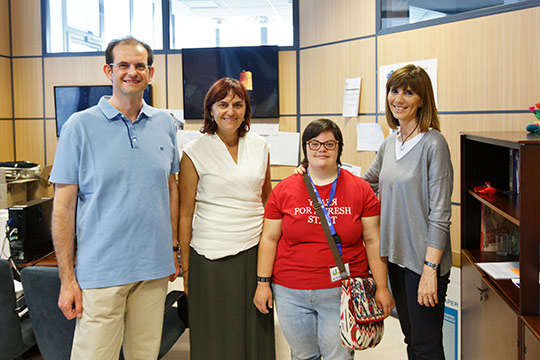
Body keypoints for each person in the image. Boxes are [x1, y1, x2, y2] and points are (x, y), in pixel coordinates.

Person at [50, 36, 180, 360]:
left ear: (151, 73)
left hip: (153, 269)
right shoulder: (78, 127)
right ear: (109, 70)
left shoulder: (165, 124)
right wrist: (67, 279)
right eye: (123, 65)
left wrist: (173, 248)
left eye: (139, 66)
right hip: (101, 272)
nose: (131, 72)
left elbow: (171, 188)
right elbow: (63, 207)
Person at [253, 119, 394, 360]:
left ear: (339, 148)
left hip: (341, 290)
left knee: (337, 357)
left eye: (330, 143)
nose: (322, 149)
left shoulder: (361, 190)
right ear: (305, 149)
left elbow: (373, 240)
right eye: (315, 143)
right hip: (290, 290)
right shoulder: (284, 189)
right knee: (302, 355)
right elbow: (269, 238)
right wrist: (262, 283)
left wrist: (382, 287)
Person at [178, 77, 275, 360]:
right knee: (215, 333)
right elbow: (185, 214)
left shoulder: (260, 146)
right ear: (210, 109)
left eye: (237, 104)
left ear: (246, 109)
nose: (230, 111)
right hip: (209, 256)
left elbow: (268, 200)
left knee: (255, 329)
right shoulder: (193, 152)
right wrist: (185, 268)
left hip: (255, 251)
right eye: (222, 104)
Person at [362, 64, 453, 359]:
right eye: (394, 90)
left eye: (409, 92)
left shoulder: (433, 144)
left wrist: (430, 271)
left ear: (422, 100)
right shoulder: (390, 143)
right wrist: (315, 171)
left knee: (427, 346)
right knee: (411, 340)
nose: (398, 98)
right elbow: (365, 183)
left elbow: (440, 213)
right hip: (396, 258)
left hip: (423, 261)